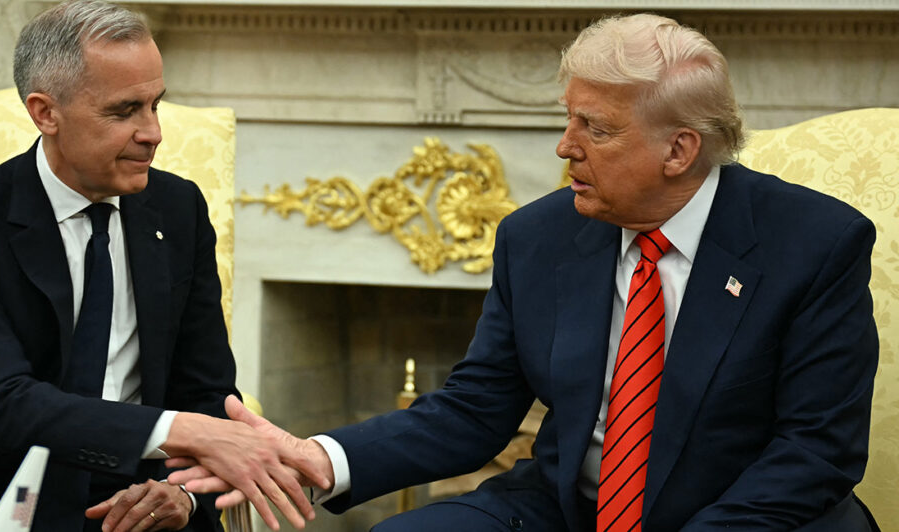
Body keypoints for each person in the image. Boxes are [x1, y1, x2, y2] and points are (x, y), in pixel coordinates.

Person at [170, 13, 880, 532]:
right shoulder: (538, 236)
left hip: (751, 516)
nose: (565, 148)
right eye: (568, 120)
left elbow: (814, 454)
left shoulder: (813, 245)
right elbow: (476, 410)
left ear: (680, 149)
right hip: (572, 508)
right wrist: (322, 458)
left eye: (595, 129)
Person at [0, 1, 325, 531]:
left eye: (156, 104)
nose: (154, 132)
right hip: (1, 469)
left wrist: (182, 491)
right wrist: (184, 431)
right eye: (124, 110)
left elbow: (207, 389)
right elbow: (2, 402)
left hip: (143, 480)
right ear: (46, 113)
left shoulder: (179, 210)